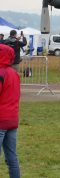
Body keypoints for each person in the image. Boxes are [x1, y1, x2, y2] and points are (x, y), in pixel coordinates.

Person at [0, 44, 20, 178]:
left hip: (1, 119)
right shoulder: (14, 73)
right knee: (11, 157)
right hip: (12, 119)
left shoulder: (1, 73)